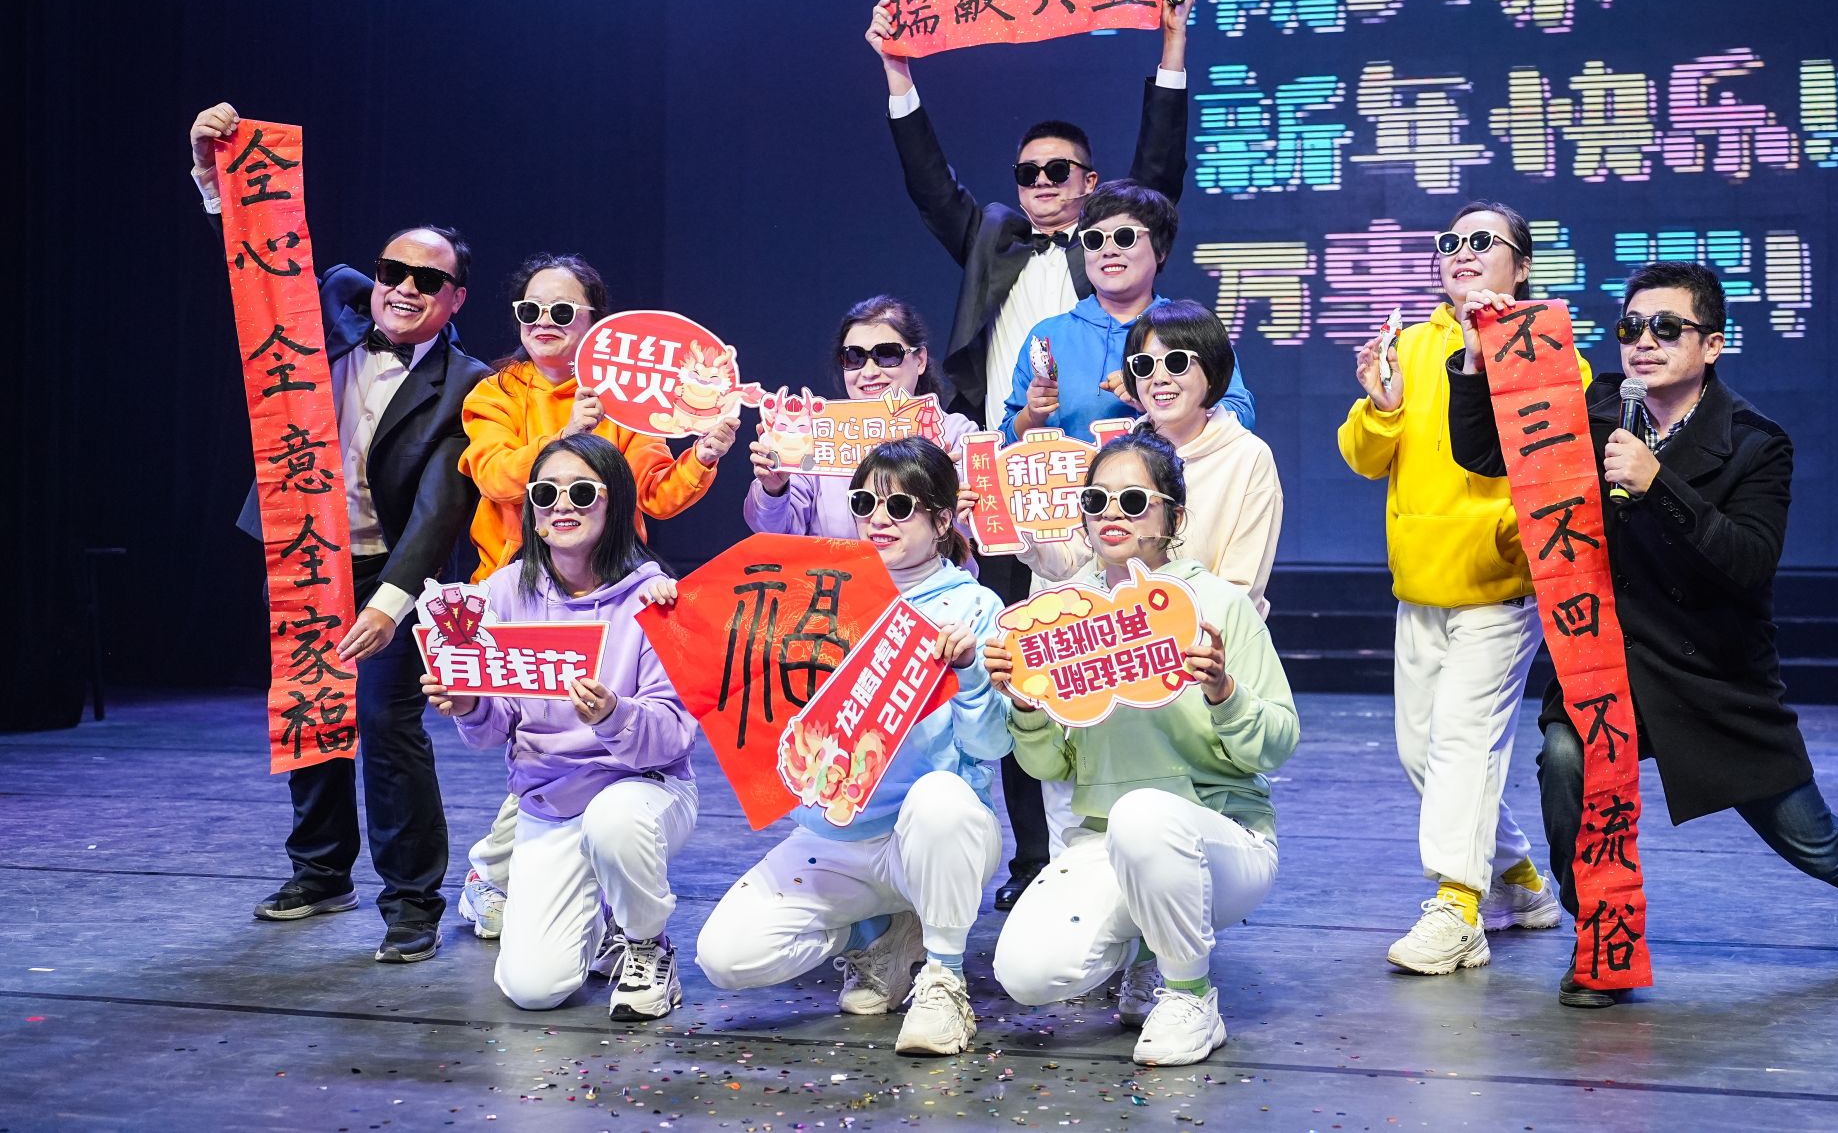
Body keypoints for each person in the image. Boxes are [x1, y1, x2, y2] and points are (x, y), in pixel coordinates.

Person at [1447, 260, 1838, 1007]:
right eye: (1631, 328)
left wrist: (1657, 483)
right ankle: (1601, 939)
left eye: (1667, 328)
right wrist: (1475, 359)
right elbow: (1487, 453)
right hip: (1611, 663)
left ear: (1712, 344)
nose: (1644, 342)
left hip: (1714, 673)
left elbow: (1748, 562)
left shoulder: (1756, 442)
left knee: (1812, 839)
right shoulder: (1598, 406)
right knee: (1566, 759)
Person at [868, 0, 1193, 911]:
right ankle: (1030, 858)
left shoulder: (1114, 242)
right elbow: (930, 183)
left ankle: (1113, 844)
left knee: (1103, 655)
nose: (1042, 185)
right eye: (1029, 173)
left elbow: (1158, 173)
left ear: (1091, 182)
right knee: (1011, 661)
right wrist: (897, 72)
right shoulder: (991, 238)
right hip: (999, 485)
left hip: (1102, 490)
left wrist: (1171, 50)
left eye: (1059, 172)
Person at [189, 101, 489, 964]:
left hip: (396, 570)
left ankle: (412, 900)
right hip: (303, 553)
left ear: (455, 298)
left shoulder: (469, 384)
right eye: (394, 270)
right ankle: (321, 873)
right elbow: (258, 271)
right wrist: (215, 179)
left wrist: (394, 601)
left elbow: (441, 507)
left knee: (387, 721)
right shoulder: (331, 310)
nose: (403, 287)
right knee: (310, 707)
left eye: (426, 279)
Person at [988, 430, 1298, 1066]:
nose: (1111, 514)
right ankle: (1146, 949)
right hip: (1103, 842)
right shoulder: (1061, 618)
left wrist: (1224, 692)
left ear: (1173, 519)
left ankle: (1190, 996)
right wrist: (1026, 705)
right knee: (1026, 973)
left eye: (1133, 501)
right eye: (1095, 500)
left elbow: (1277, 743)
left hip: (1222, 838)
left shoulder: (1216, 605)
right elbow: (1049, 767)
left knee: (1145, 814)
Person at [453, 253, 739, 941]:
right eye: (530, 310)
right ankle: (498, 874)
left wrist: (705, 452)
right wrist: (563, 438)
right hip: (524, 597)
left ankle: (553, 883)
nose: (543, 322)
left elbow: (658, 495)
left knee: (597, 737)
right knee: (544, 739)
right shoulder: (495, 394)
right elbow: (494, 475)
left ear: (594, 323)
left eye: (562, 311)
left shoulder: (625, 402)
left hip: (610, 597)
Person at [697, 439, 1011, 1056]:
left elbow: (993, 742)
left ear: (942, 520)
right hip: (835, 834)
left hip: (930, 838)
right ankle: (876, 935)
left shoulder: (975, 606)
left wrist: (972, 674)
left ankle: (943, 977)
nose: (879, 519)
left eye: (901, 506)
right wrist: (667, 597)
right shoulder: (822, 592)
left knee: (940, 798)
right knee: (726, 957)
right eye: (865, 503)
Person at [1337, 202, 1570, 975]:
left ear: (1521, 265)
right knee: (1423, 755)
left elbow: (1554, 463)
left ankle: (1458, 907)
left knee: (1463, 745)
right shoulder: (1409, 341)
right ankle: (1520, 880)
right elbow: (1364, 457)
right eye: (1451, 241)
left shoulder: (1543, 346)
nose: (1461, 252)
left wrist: (1507, 536)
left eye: (1482, 241)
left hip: (1499, 585)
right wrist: (1381, 405)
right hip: (1420, 584)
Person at [423, 435, 699, 1019]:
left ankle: (646, 944)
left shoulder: (653, 595)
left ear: (615, 501)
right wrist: (469, 703)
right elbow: (493, 730)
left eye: (582, 492)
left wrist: (615, 715)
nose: (562, 505)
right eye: (546, 493)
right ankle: (598, 917)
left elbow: (676, 732)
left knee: (614, 822)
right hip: (549, 801)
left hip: (640, 790)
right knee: (532, 988)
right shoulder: (502, 592)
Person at [1001, 300, 1282, 615]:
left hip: (1207, 637)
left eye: (1176, 362)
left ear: (1213, 373)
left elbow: (1241, 589)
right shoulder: (1119, 451)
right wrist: (1005, 518)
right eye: (1145, 365)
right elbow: (1070, 559)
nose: (1159, 378)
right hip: (1121, 633)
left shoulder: (1248, 456)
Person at [1002, 182, 1255, 444]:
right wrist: (1032, 415)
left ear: (1160, 250)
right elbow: (1005, 439)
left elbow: (1240, 415)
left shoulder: (1191, 329)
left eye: (1125, 237)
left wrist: (1155, 398)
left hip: (1173, 471)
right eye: (1094, 239)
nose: (1109, 250)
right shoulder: (1048, 336)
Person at [743, 295, 975, 541]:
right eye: (854, 357)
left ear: (920, 360)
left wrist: (946, 489)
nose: (869, 372)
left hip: (930, 568)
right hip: (835, 567)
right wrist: (774, 490)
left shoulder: (954, 434)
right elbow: (773, 531)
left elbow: (979, 529)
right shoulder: (816, 435)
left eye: (887, 354)